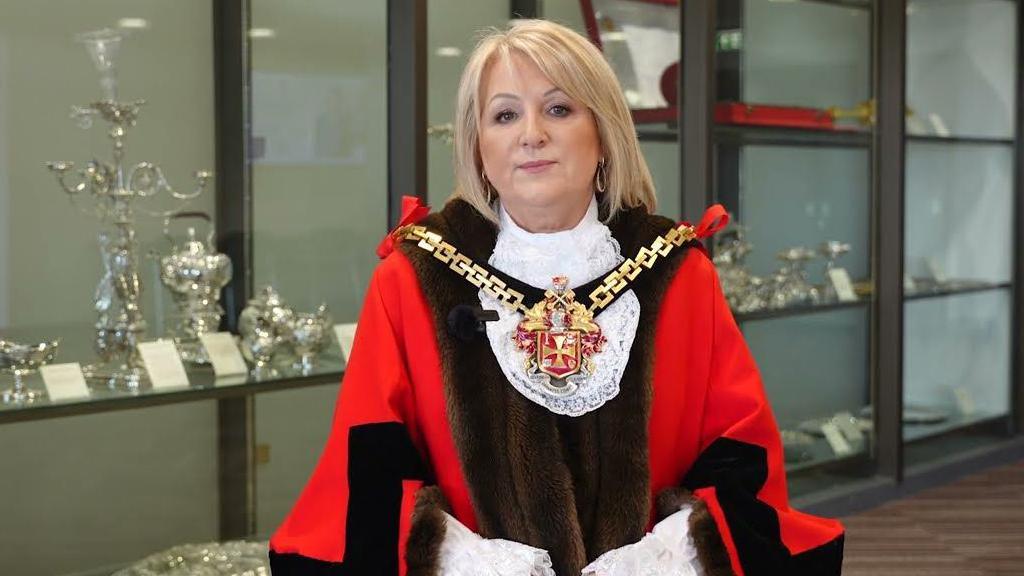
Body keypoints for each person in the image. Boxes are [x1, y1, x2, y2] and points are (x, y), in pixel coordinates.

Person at [268, 19, 844, 576]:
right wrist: (461, 560)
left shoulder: (678, 273)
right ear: (478, 148)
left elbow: (741, 454)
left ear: (603, 135)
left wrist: (666, 558)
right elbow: (368, 468)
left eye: (559, 108)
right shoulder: (411, 278)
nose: (531, 134)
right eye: (504, 115)